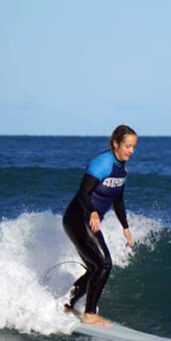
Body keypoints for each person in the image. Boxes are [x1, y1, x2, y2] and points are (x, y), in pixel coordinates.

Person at [62, 125, 138, 326]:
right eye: (128, 146)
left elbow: (118, 199)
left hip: (87, 221)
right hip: (78, 218)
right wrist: (93, 212)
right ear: (115, 144)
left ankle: (67, 305)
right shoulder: (102, 163)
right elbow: (82, 193)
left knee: (95, 267)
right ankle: (89, 314)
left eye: (133, 147)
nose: (131, 151)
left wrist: (126, 227)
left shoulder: (122, 168)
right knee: (104, 265)